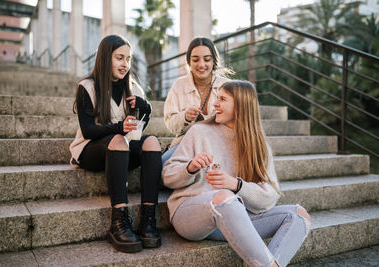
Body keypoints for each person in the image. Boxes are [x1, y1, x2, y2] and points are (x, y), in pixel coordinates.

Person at [162, 80, 311, 267]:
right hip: (190, 215)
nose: (215, 104)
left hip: (234, 217)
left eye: (223, 99)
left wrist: (236, 185)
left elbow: (269, 196)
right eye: (217, 98)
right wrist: (190, 168)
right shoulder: (199, 131)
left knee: (299, 215)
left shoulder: (259, 146)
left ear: (241, 105)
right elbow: (167, 176)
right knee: (224, 197)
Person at [69, 35, 161, 253]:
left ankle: (148, 219)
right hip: (91, 151)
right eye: (119, 58)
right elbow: (89, 130)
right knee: (119, 138)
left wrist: (145, 108)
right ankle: (119, 221)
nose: (125, 64)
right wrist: (119, 128)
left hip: (122, 152)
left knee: (152, 143)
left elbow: (137, 131)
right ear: (104, 58)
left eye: (128, 59)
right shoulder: (87, 87)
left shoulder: (134, 88)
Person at [162, 37, 232, 164]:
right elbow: (170, 124)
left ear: (214, 61)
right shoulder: (178, 86)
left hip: (220, 144)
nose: (201, 65)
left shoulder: (227, 85)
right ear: (189, 61)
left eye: (207, 59)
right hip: (186, 143)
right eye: (195, 60)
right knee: (163, 164)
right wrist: (185, 117)